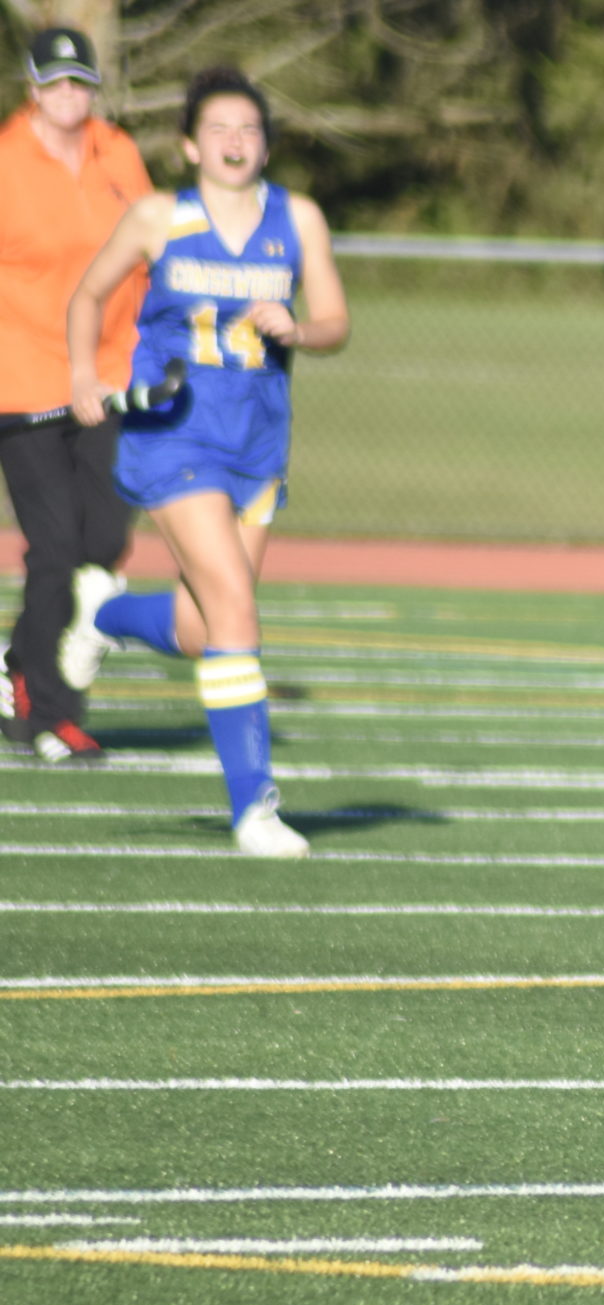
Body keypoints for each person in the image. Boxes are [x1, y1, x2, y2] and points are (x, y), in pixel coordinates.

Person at [54, 65, 347, 855]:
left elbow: (336, 322)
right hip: (174, 438)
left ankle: (104, 615)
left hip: (258, 441)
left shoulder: (300, 219)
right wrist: (84, 374)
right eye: (218, 129)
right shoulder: (158, 218)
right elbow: (87, 297)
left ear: (267, 144)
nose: (235, 142)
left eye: (249, 129)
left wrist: (299, 327)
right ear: (189, 144)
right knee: (239, 618)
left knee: (198, 626)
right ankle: (254, 807)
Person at [0, 26, 150, 763]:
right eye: (55, 83)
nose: (69, 95)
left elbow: (153, 244)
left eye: (79, 82)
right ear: (32, 91)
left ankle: (19, 659)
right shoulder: (4, 161)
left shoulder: (116, 153)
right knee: (56, 547)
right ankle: (53, 711)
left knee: (105, 539)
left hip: (113, 373)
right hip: (24, 379)